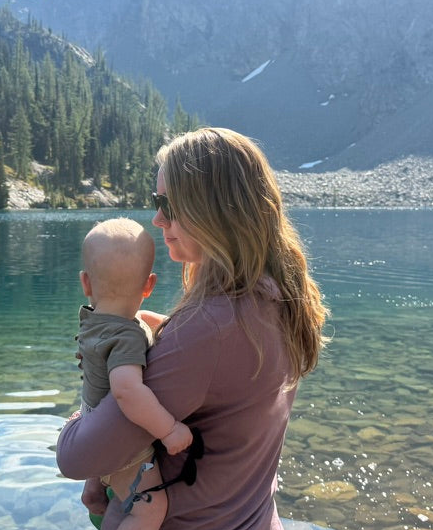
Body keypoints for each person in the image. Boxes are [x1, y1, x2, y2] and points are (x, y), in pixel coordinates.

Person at [58, 127, 329, 530]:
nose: (157, 217)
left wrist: (82, 415)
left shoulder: (211, 329)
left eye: (168, 203)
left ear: (213, 209)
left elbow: (77, 458)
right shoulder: (276, 299)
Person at [76, 217, 193, 530]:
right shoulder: (127, 337)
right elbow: (127, 391)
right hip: (122, 449)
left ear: (85, 283)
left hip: (92, 427)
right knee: (150, 508)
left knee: (118, 498)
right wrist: (169, 430)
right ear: (149, 285)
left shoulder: (91, 322)